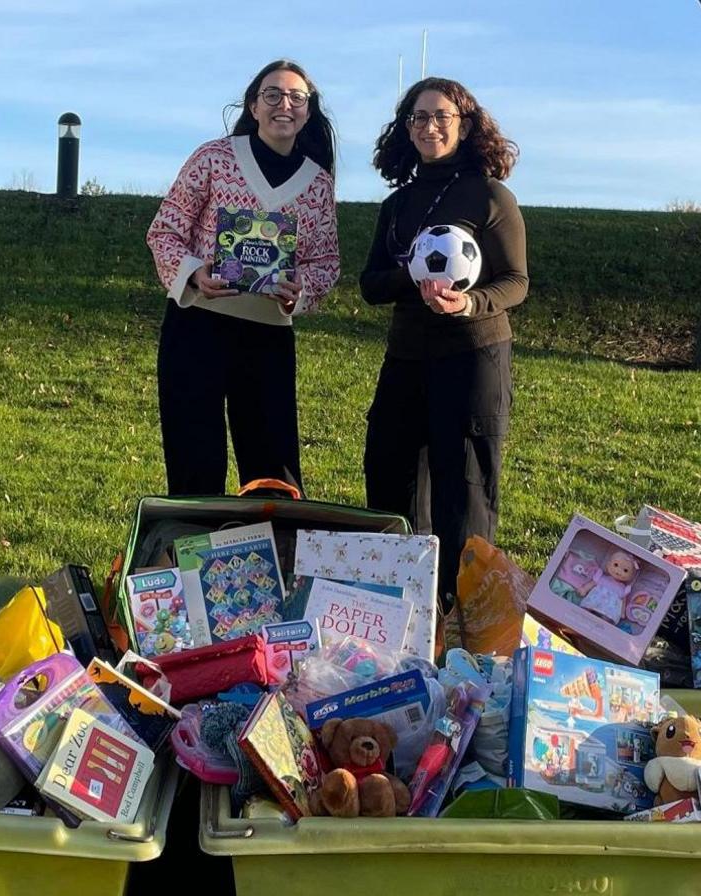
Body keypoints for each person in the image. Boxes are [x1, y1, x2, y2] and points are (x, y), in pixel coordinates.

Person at [359, 76, 526, 598]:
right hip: (407, 357)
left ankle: (465, 617)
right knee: (391, 479)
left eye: (442, 117)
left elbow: (516, 282)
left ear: (466, 125)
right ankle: (402, 606)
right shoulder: (398, 205)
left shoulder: (490, 196)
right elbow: (369, 284)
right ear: (406, 130)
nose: (430, 126)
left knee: (465, 491)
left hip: (473, 356)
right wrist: (410, 274)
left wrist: (469, 302)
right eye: (419, 118)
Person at [146, 60, 339, 496]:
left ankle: (276, 558)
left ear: (308, 112)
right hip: (197, 328)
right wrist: (194, 274)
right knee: (195, 462)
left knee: (273, 469)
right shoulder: (213, 158)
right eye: (272, 94)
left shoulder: (317, 184)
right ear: (254, 105)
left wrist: (299, 292)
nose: (283, 105)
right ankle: (193, 558)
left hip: (267, 337)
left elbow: (325, 262)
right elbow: (165, 231)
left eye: (295, 97)